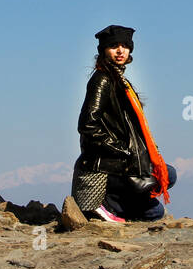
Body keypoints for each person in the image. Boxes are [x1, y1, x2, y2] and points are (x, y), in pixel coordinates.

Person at [71, 24, 176, 222]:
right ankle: (108, 204)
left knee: (156, 211)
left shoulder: (120, 81)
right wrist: (123, 151)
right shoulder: (102, 79)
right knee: (168, 173)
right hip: (109, 164)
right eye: (114, 46)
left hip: (122, 161)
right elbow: (87, 125)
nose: (120, 51)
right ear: (104, 50)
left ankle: (117, 209)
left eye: (125, 46)